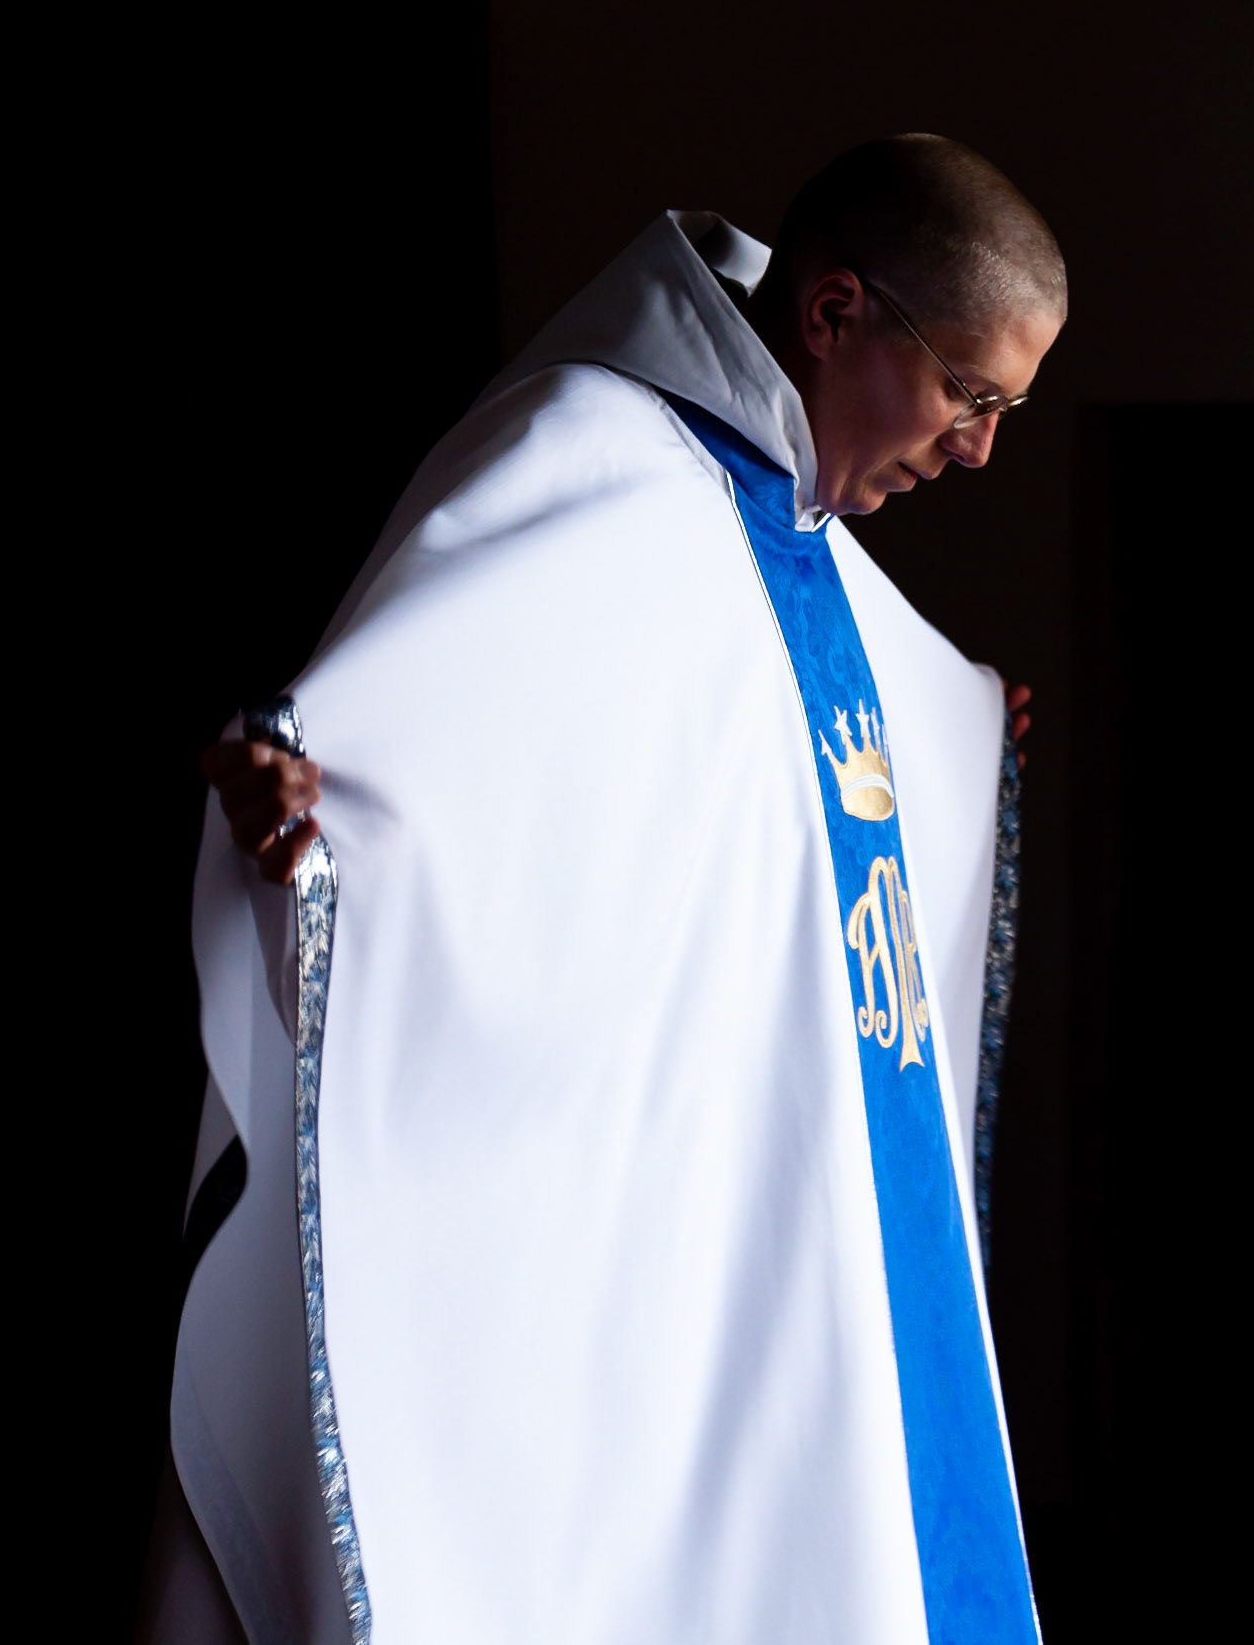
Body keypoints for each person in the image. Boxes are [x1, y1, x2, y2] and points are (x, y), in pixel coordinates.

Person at [150, 134, 1063, 1645]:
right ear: (832, 316)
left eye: (1005, 411)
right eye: (969, 396)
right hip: (615, 1197)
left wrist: (947, 733)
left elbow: (775, 746)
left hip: (768, 1202)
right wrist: (307, 803)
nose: (977, 450)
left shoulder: (797, 520)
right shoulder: (591, 455)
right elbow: (407, 749)